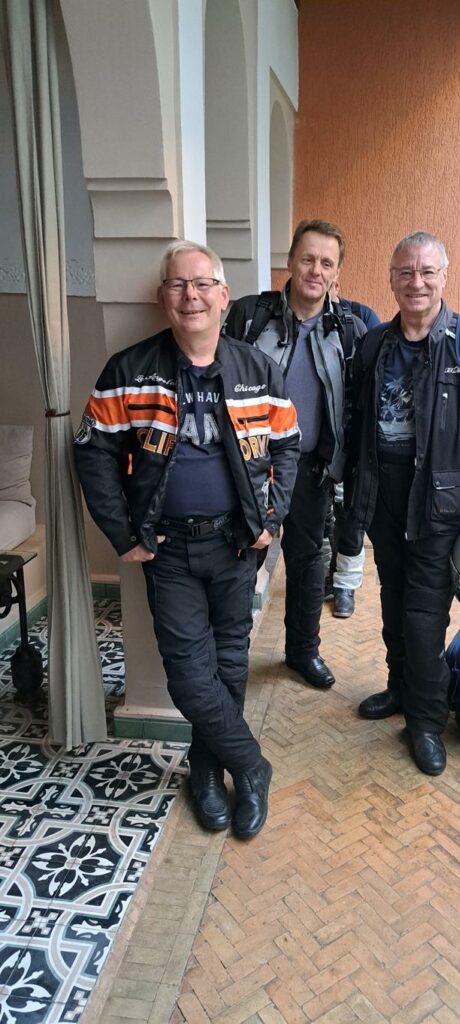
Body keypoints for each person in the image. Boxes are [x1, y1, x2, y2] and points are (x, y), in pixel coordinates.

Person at [74, 241, 300, 838]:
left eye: (202, 284)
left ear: (223, 295)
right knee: (189, 677)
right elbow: (92, 452)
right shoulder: (129, 370)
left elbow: (288, 445)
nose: (190, 295)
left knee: (229, 665)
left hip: (236, 544)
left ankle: (205, 773)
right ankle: (251, 766)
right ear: (162, 297)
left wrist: (271, 518)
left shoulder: (257, 370)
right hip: (167, 549)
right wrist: (122, 533)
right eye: (178, 284)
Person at [346, 231, 460, 775]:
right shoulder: (374, 345)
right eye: (405, 272)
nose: (416, 282)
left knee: (424, 615)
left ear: (444, 277)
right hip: (384, 497)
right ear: (392, 280)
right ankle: (401, 688)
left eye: (427, 272)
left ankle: (425, 721)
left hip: (441, 502)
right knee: (394, 600)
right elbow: (356, 428)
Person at [224, 219, 366, 688]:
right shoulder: (250, 317)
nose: (315, 270)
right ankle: (230, 657)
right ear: (290, 261)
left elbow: (356, 404)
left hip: (311, 469)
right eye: (307, 259)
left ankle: (302, 653)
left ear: (337, 272)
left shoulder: (348, 329)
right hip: (251, 468)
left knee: (307, 562)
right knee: (241, 560)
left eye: (326, 263)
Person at [323, 282, 381, 617]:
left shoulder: (361, 318)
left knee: (350, 515)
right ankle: (324, 577)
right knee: (318, 517)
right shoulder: (297, 321)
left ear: (337, 281)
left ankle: (345, 584)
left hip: (352, 438)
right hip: (313, 441)